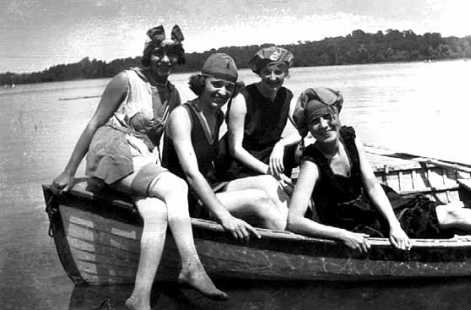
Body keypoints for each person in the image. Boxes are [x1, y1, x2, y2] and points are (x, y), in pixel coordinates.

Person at [52, 25, 228, 310]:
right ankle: (192, 266)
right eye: (159, 53)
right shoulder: (127, 80)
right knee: (176, 186)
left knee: (158, 212)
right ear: (149, 54)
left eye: (172, 54)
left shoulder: (173, 95)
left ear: (178, 58)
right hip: (111, 154)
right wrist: (69, 171)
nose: (165, 60)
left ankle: (140, 297)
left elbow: (159, 145)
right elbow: (94, 123)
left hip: (140, 163)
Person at [286, 87, 471, 252]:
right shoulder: (312, 162)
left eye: (327, 116)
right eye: (314, 121)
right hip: (354, 225)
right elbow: (295, 221)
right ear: (308, 128)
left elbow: (373, 187)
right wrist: (343, 235)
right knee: (453, 217)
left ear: (337, 115)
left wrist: (395, 225)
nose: (323, 125)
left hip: (380, 208)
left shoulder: (349, 137)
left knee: (451, 213)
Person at [162, 53, 288, 234]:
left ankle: (294, 228)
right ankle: (293, 248)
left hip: (208, 185)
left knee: (270, 182)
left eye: (229, 87)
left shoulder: (217, 115)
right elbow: (191, 173)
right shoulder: (182, 116)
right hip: (185, 196)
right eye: (216, 84)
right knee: (259, 199)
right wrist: (225, 217)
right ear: (202, 82)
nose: (223, 92)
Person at [220, 46, 301, 191]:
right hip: (241, 162)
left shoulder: (286, 96)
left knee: (309, 147)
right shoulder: (242, 98)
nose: (273, 77)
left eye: (278, 72)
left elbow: (303, 129)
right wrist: (269, 172)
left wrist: (281, 145)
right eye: (267, 72)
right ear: (259, 73)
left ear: (286, 73)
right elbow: (235, 149)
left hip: (270, 155)